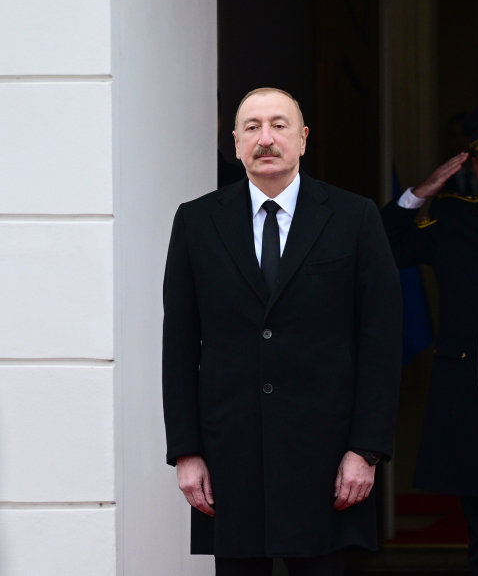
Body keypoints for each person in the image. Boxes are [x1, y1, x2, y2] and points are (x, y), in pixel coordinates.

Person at [162, 87, 403, 576]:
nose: (266, 138)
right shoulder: (196, 221)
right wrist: (186, 452)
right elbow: (180, 345)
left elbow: (381, 341)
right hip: (231, 456)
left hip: (329, 458)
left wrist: (366, 450)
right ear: (234, 142)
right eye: (252, 127)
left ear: (304, 138)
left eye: (279, 125)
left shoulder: (354, 217)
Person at [381, 105, 478, 576]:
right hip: (472, 392)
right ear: (472, 164)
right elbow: (381, 251)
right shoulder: (452, 218)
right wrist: (417, 194)